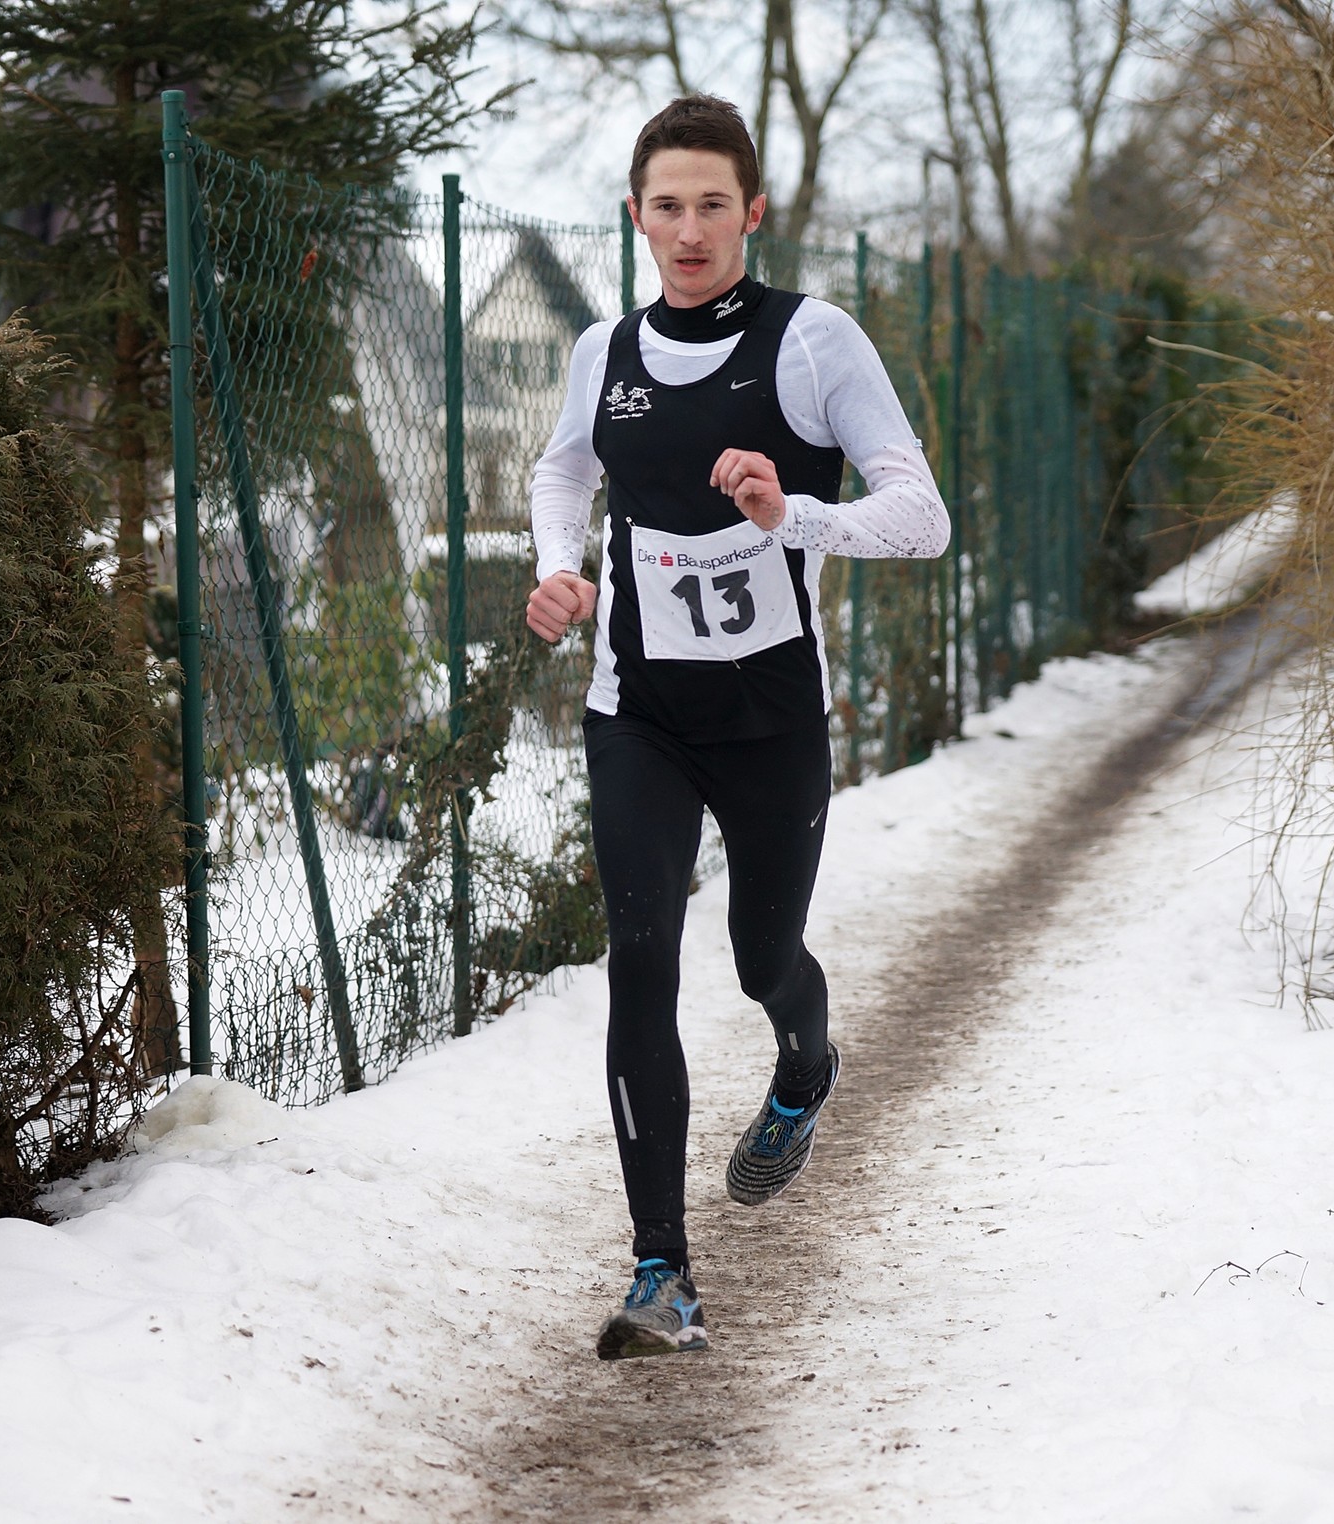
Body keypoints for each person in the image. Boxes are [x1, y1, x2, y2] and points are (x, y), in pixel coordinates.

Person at [525, 94, 950, 1361]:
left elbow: (918, 516)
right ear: (635, 216)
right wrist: (561, 567)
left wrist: (794, 518)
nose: (690, 227)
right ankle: (661, 1271)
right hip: (636, 712)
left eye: (714, 203)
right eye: (667, 205)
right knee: (640, 955)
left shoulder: (812, 343)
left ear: (751, 212)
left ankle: (802, 1067)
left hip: (770, 724)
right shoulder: (600, 351)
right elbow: (561, 471)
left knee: (763, 959)